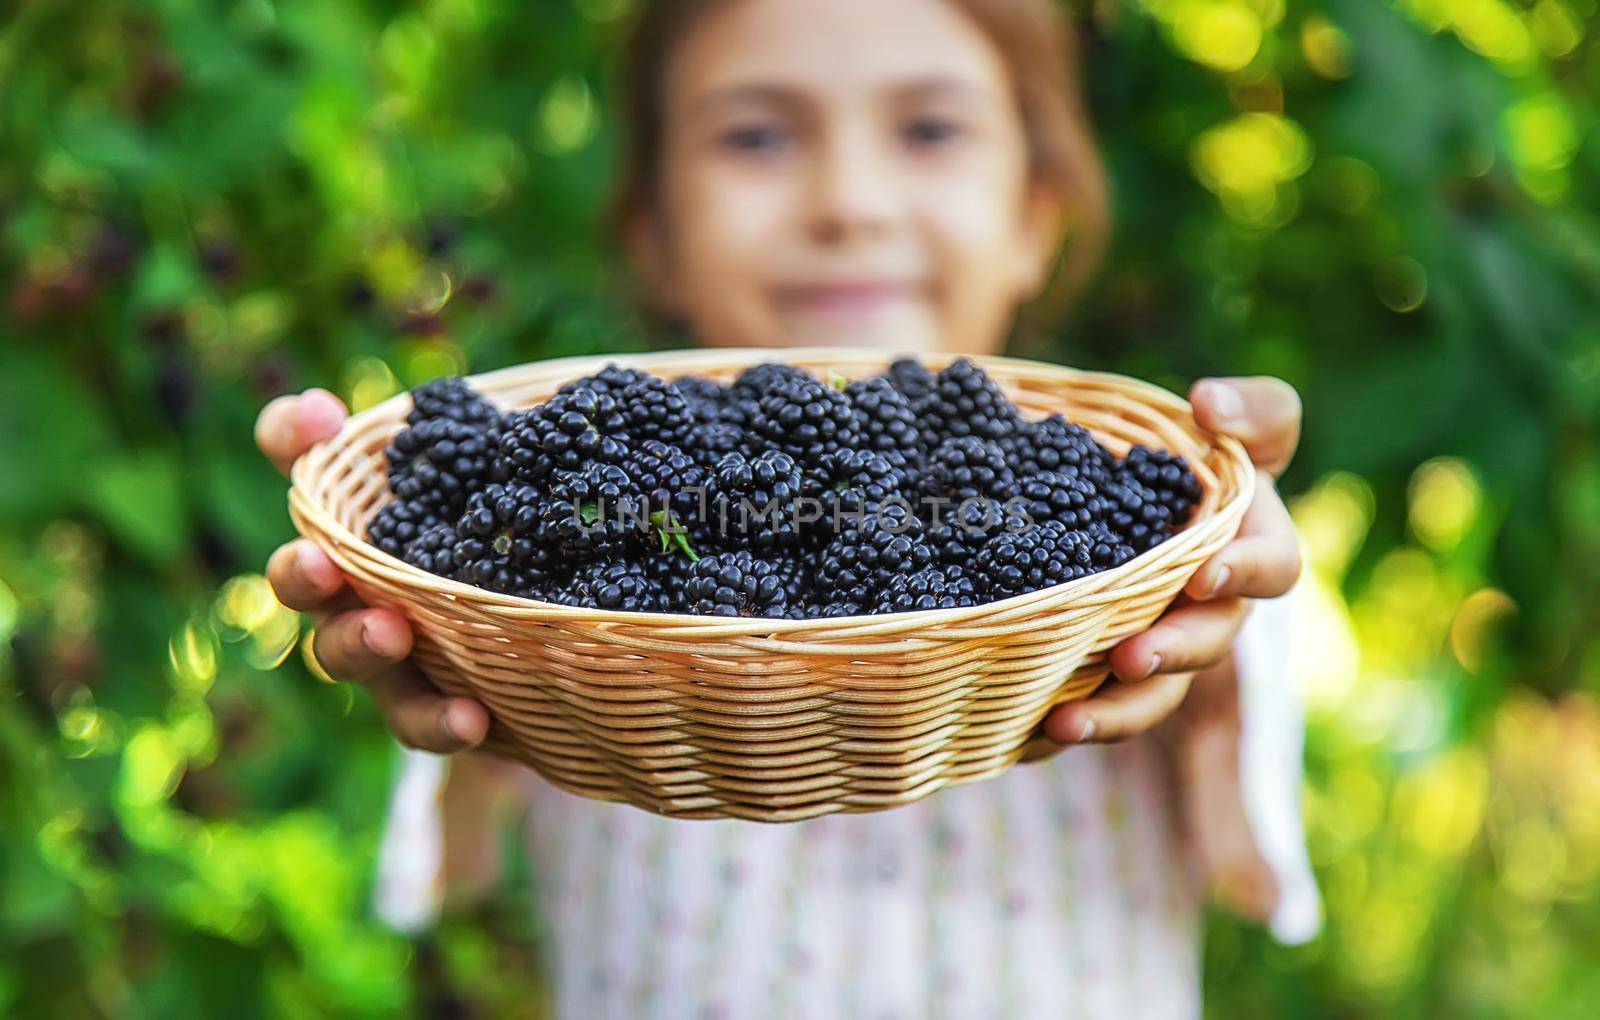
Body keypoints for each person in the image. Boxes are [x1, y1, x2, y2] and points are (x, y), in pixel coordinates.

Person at [256, 0, 1315, 1014]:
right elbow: (461, 846)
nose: (846, 201)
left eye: (929, 128)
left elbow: (1239, 845)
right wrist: (450, 637)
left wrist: (1208, 585)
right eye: (757, 136)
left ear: (1037, 217)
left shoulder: (1097, 567)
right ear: (652, 227)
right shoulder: (609, 548)